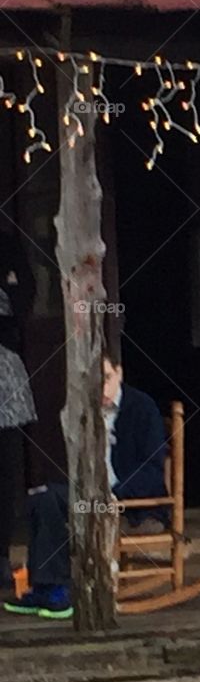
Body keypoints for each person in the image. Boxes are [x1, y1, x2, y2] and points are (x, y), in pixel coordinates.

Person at [5, 354, 167, 620]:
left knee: (61, 503)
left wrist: (116, 493)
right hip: (91, 495)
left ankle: (59, 589)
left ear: (120, 373)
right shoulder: (85, 410)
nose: (101, 388)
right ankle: (47, 587)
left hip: (127, 501)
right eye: (94, 381)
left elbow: (152, 469)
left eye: (107, 378)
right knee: (42, 497)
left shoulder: (142, 408)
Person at [0, 228, 37, 590]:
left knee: (7, 471)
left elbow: (23, 294)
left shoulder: (7, 242)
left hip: (5, 373)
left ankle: (1, 558)